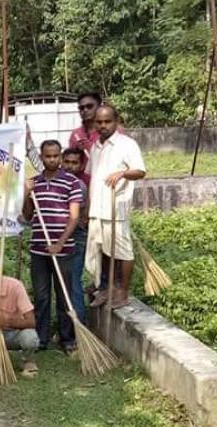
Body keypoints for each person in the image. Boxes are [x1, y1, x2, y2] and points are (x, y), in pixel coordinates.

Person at [22, 140, 82, 353]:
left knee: (64, 295)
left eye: (56, 156)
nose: (52, 160)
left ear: (60, 156)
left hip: (64, 249)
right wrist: (26, 194)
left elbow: (74, 218)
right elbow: (28, 215)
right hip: (38, 248)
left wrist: (59, 243)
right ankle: (41, 338)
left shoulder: (71, 182)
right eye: (48, 156)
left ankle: (67, 339)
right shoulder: (34, 182)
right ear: (42, 156)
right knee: (41, 296)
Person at [86, 105, 147, 309]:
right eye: (99, 122)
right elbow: (91, 177)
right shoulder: (95, 146)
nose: (103, 126)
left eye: (107, 121)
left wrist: (122, 173)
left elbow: (140, 171)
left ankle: (123, 291)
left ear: (116, 121)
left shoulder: (126, 144)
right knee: (103, 250)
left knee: (123, 252)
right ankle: (108, 288)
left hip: (116, 209)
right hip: (98, 209)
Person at [62, 148, 89, 322]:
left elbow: (73, 217)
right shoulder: (58, 182)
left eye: (75, 163)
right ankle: (68, 324)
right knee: (63, 284)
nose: (70, 166)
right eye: (67, 162)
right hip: (61, 238)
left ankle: (78, 325)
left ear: (80, 165)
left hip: (76, 239)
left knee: (73, 283)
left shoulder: (78, 186)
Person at [68, 92, 102, 173]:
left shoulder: (112, 131)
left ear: (100, 107)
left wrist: (90, 148)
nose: (85, 110)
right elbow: (71, 164)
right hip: (81, 183)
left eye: (89, 106)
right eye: (81, 108)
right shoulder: (75, 134)